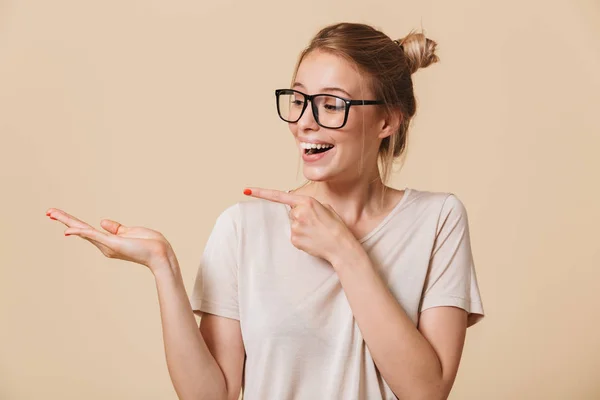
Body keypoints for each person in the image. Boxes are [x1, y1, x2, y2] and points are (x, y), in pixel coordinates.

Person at [46, 22, 484, 400]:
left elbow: (426, 391)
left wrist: (344, 252)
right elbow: (212, 394)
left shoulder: (437, 220)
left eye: (331, 104)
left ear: (388, 120)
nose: (304, 122)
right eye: (298, 100)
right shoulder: (243, 228)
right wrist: (164, 268)